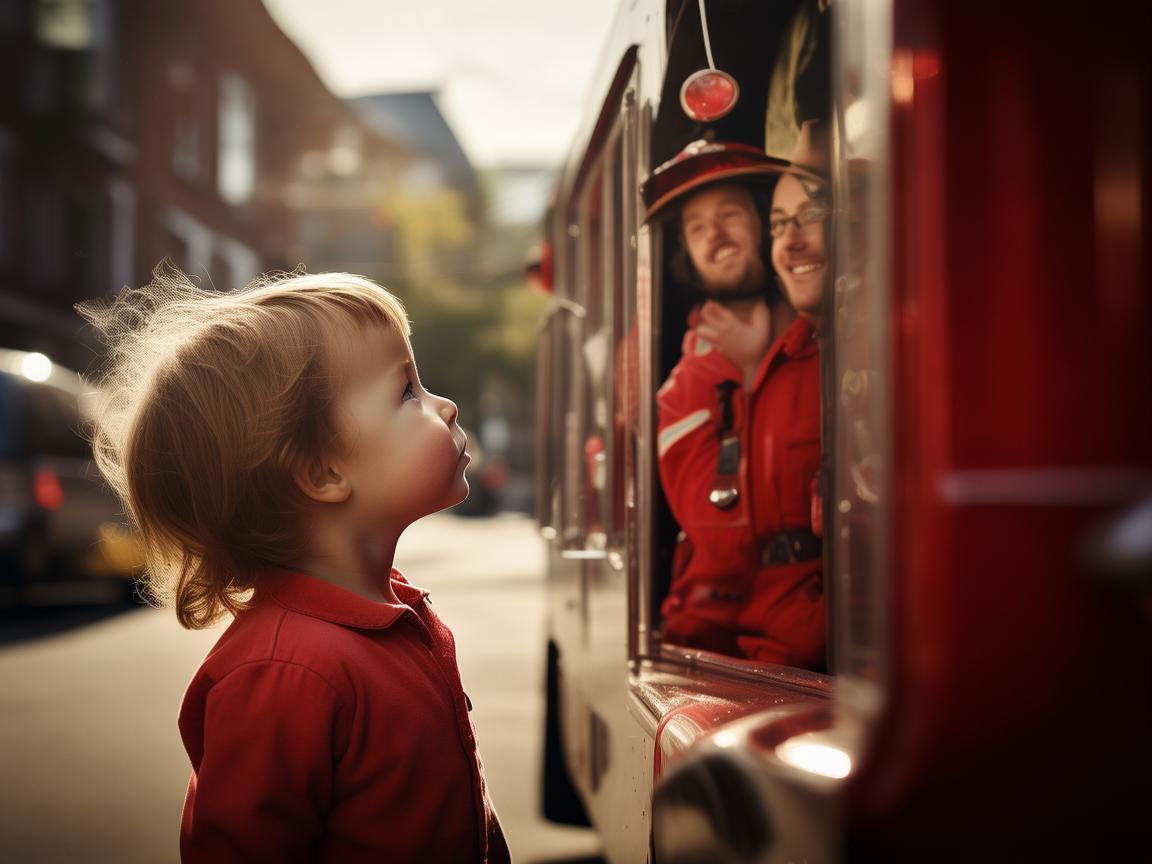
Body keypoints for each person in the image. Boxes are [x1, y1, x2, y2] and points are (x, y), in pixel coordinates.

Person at [78, 267, 510, 863]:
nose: (447, 406)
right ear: (323, 473)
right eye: (406, 391)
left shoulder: (394, 613)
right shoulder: (285, 669)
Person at [643, 139, 827, 669]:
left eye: (730, 215)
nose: (715, 235)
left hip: (825, 641)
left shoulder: (830, 347)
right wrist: (749, 383)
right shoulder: (683, 390)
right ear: (687, 255)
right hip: (724, 653)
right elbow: (721, 537)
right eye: (697, 228)